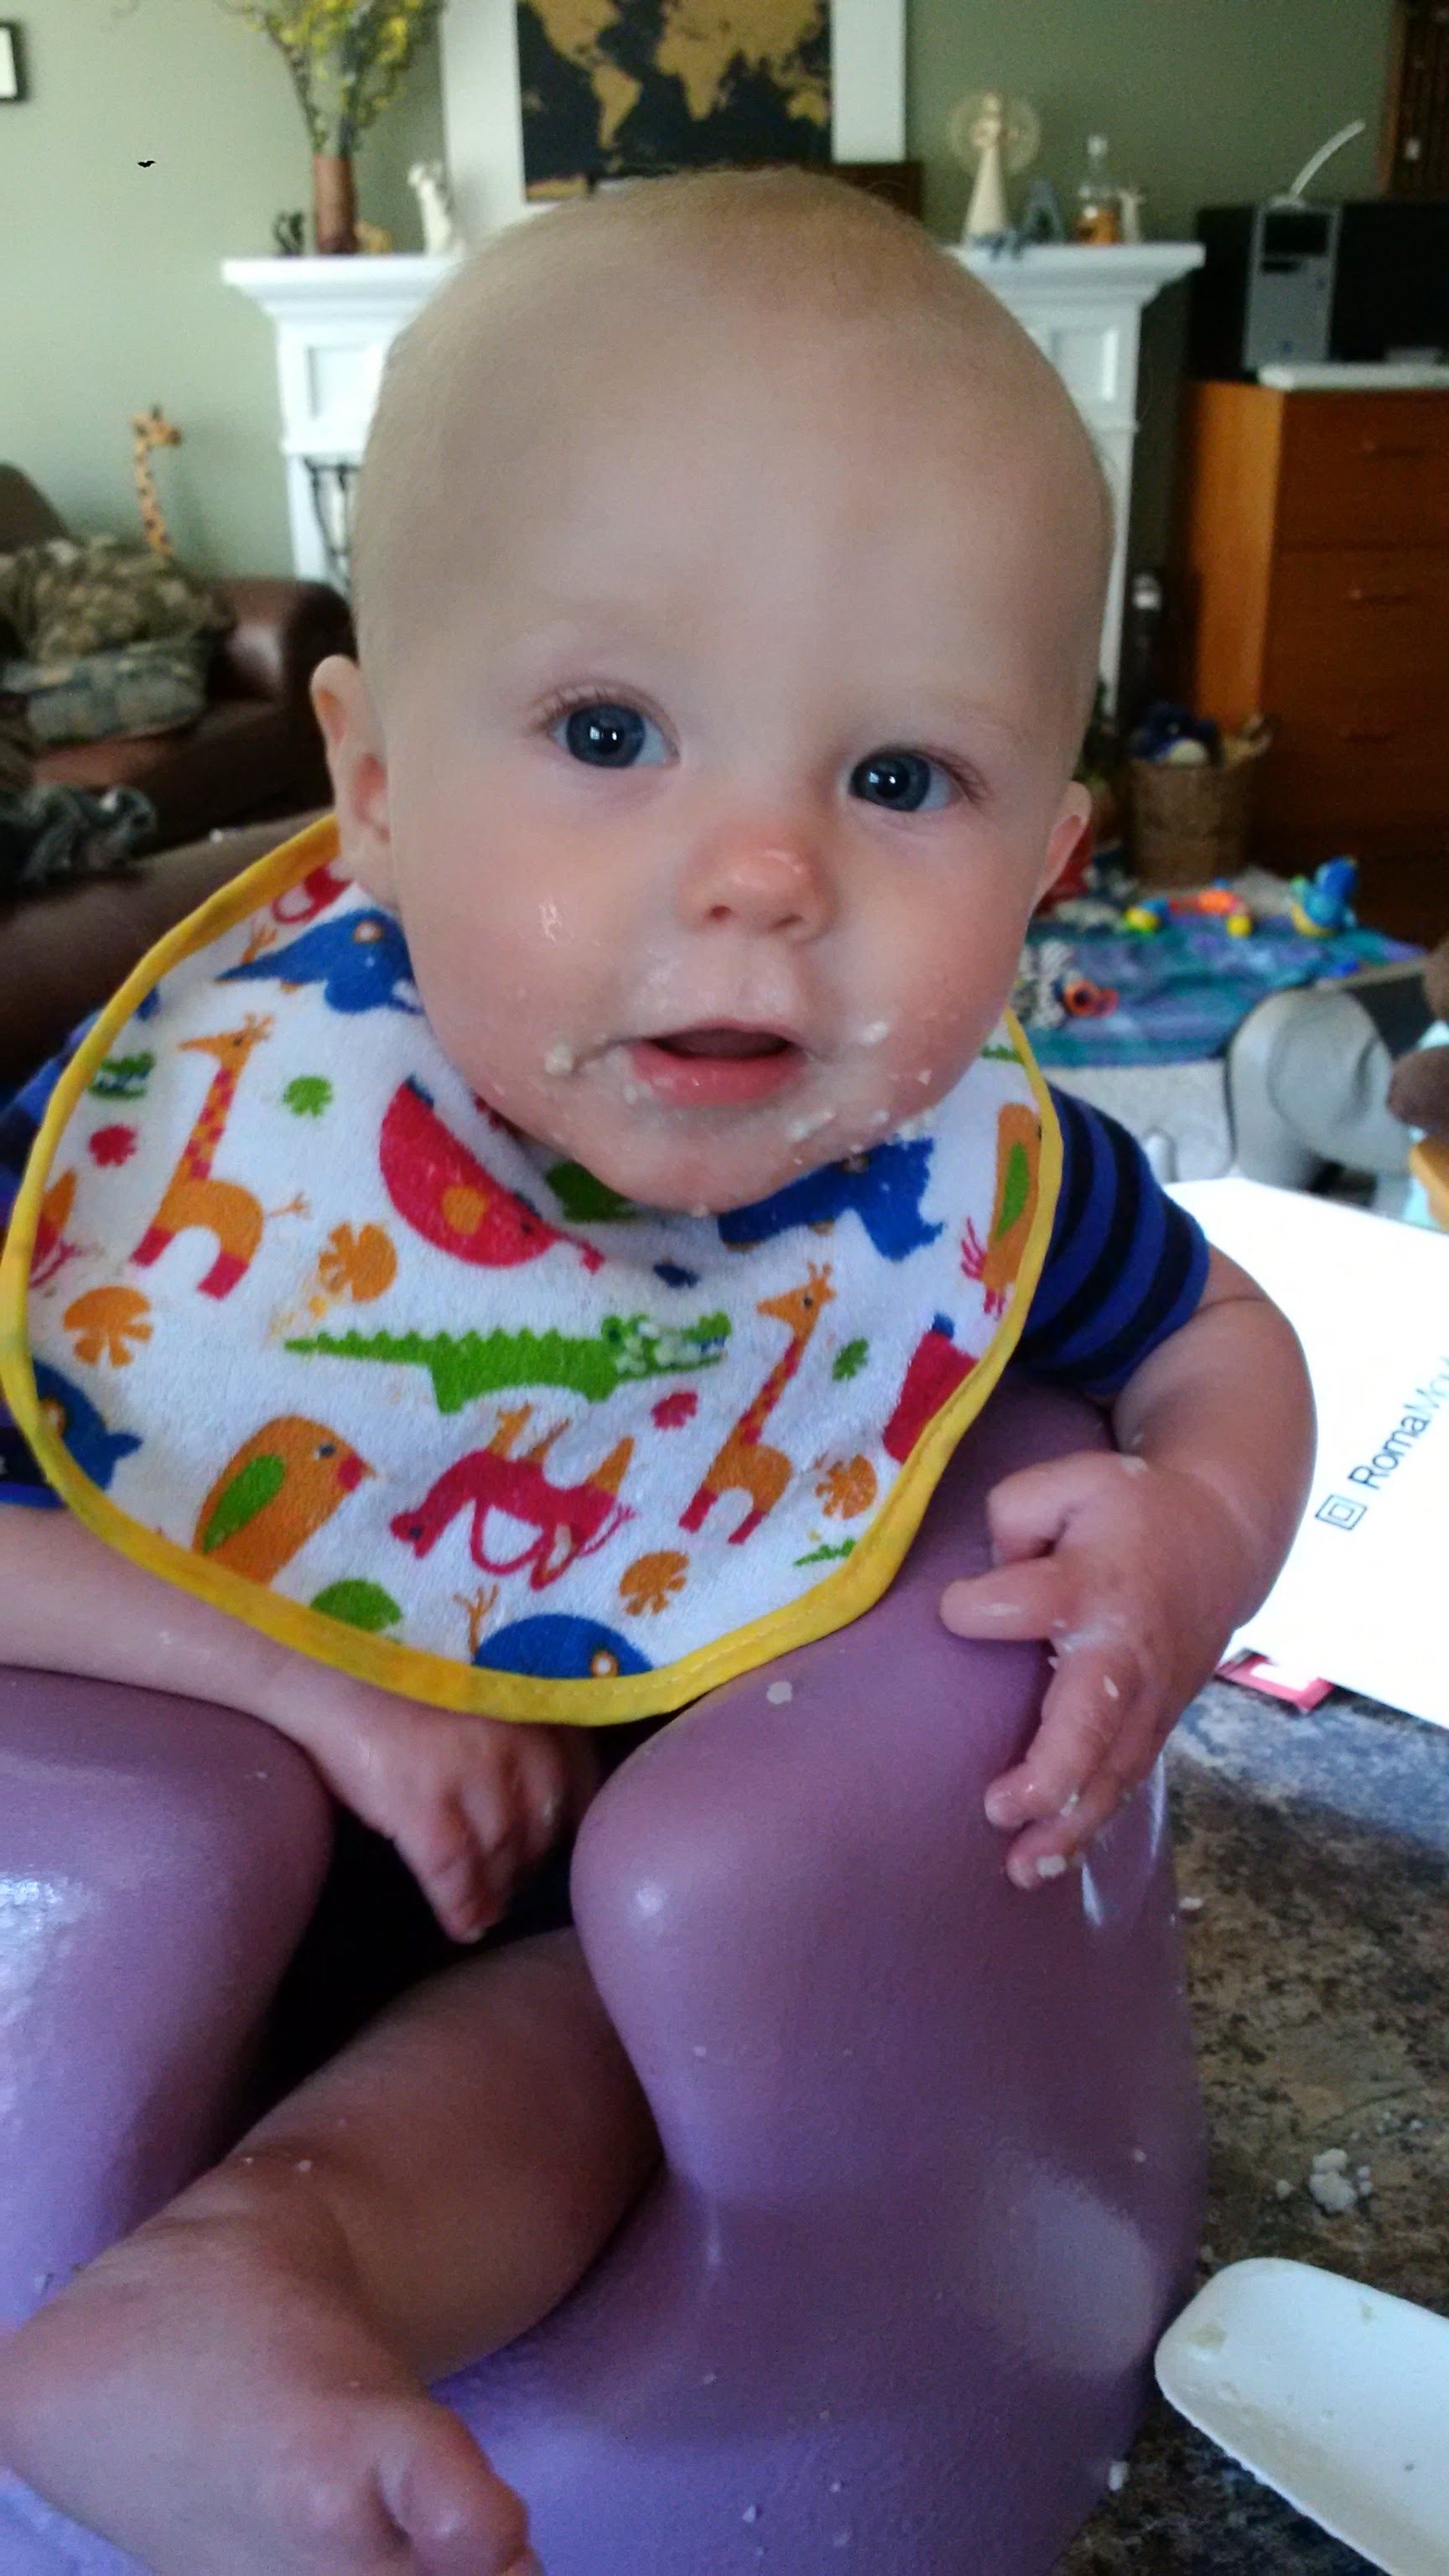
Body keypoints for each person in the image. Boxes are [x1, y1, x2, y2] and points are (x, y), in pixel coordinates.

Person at [0, 171, 1313, 2576]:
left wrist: (1195, 1534)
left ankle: (255, 2283)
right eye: (609, 731)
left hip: (600, 1971)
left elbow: (1223, 1339)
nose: (763, 873)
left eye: (900, 779)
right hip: (138, 1866)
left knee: (616, 2011)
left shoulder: (957, 1184)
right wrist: (304, 1683)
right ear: (373, 784)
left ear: (1051, 863)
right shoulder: (196, 1162)